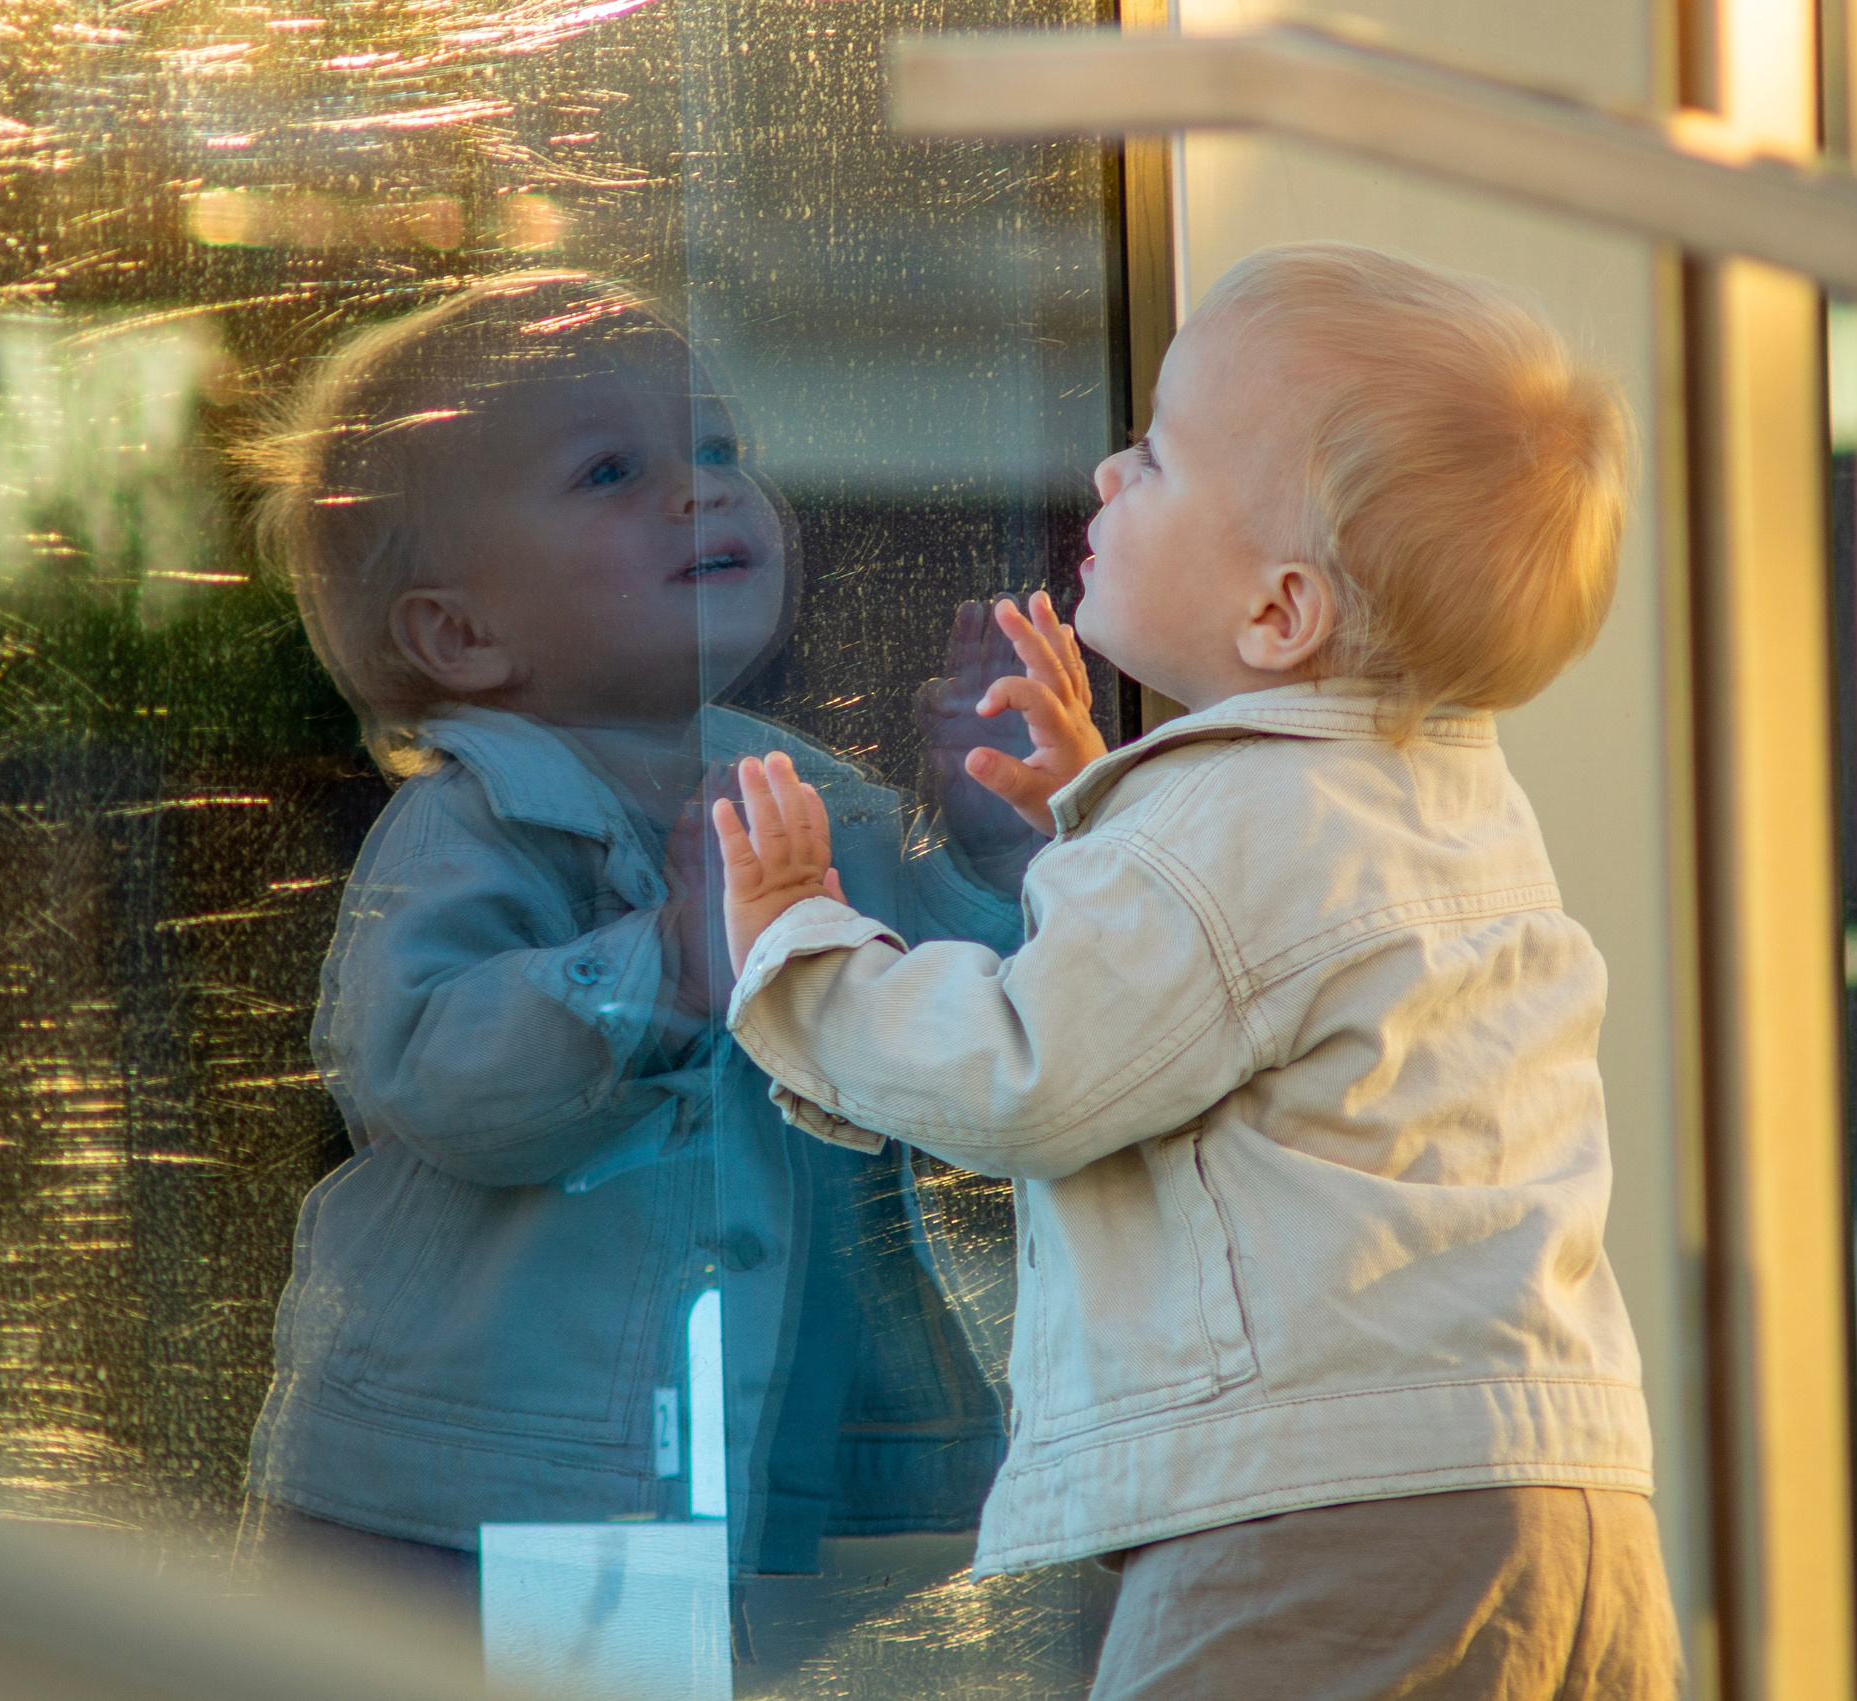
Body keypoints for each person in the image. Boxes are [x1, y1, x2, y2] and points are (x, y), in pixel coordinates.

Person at [710, 242, 1680, 1699]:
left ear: (1280, 615)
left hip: (1315, 1524)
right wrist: (1097, 815)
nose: (1107, 473)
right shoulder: (1442, 799)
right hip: (1561, 1495)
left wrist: (804, 951)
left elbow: (1027, 1072)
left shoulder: (1222, 834)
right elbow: (1238, 983)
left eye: (1157, 459)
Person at [237, 271, 1039, 1644]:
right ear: (460, 634)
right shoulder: (474, 822)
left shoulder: (809, 798)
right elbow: (426, 1072)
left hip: (738, 1464)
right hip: (481, 1485)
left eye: (719, 448)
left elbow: (927, 1027)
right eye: (612, 471)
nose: (702, 489)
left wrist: (986, 844)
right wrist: (663, 964)